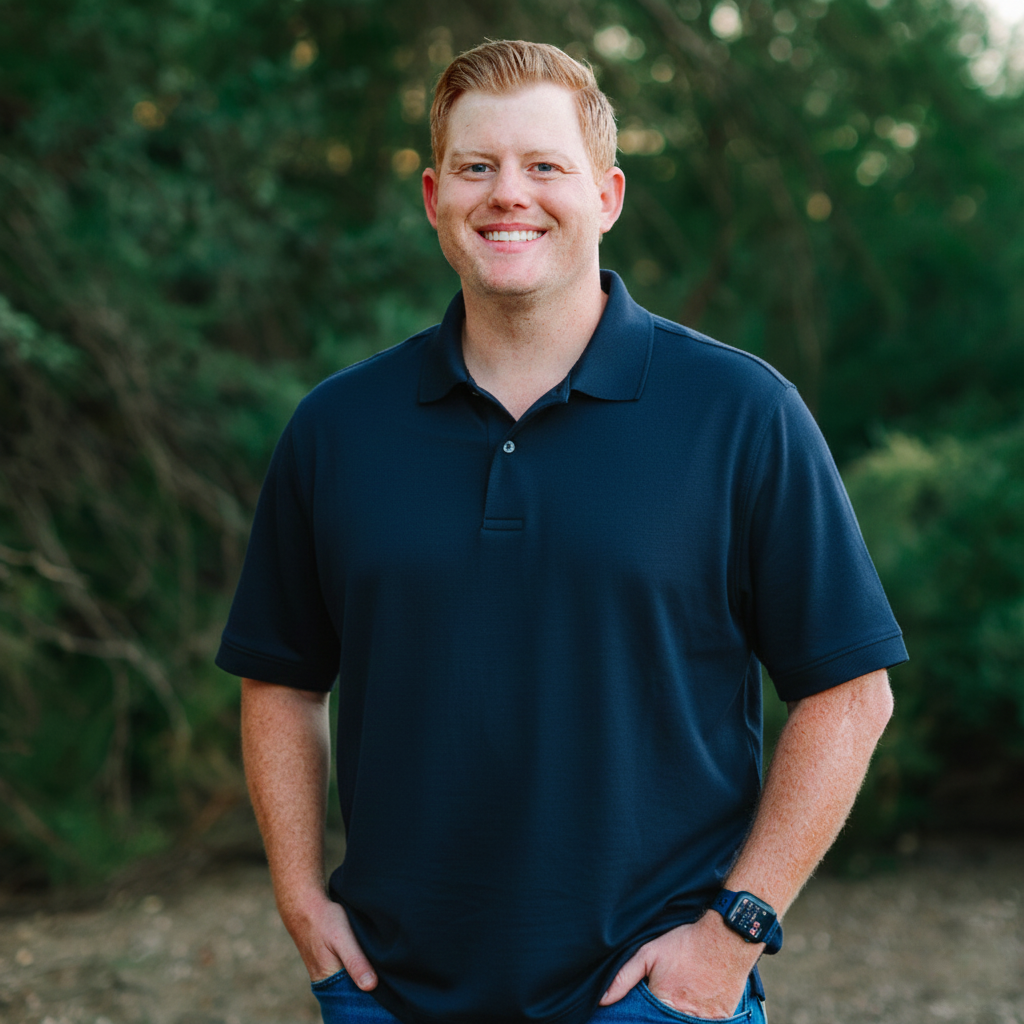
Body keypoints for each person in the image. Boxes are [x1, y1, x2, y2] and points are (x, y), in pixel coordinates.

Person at [216, 40, 907, 1024]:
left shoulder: (737, 411)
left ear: (607, 195)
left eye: (543, 166)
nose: (509, 194)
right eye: (476, 166)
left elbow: (849, 693)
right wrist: (298, 894)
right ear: (431, 196)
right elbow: (280, 678)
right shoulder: (340, 428)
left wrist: (732, 933)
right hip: (390, 989)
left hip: (651, 997)